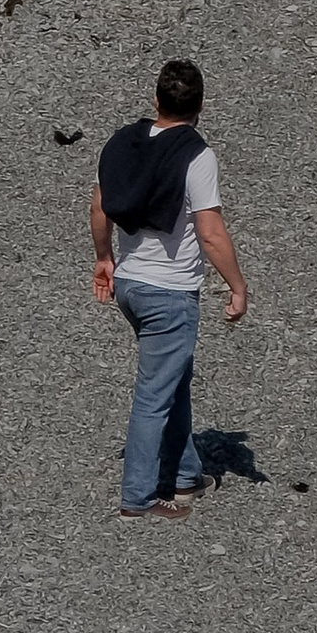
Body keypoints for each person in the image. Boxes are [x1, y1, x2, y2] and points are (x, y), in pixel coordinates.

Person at [90, 57, 249, 519]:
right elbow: (210, 233)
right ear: (202, 106)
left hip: (129, 285)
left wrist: (104, 258)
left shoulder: (122, 141)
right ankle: (138, 498)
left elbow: (99, 206)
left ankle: (184, 476)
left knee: (174, 380)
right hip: (169, 292)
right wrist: (237, 287)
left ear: (155, 99)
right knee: (153, 396)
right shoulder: (197, 155)